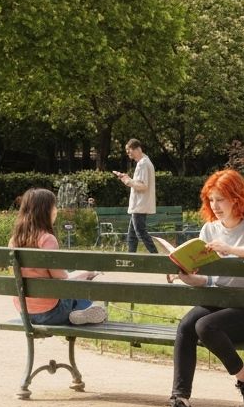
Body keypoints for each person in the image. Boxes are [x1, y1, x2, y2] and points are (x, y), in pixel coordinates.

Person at [160, 169, 244, 407]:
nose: (215, 206)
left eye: (220, 199)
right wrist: (187, 276)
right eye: (211, 200)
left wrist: (231, 250)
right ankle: (181, 403)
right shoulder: (209, 229)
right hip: (219, 301)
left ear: (236, 198)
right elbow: (207, 279)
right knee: (187, 325)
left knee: (205, 326)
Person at [9, 188, 106, 325]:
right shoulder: (47, 239)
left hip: (25, 313)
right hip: (52, 312)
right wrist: (86, 273)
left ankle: (78, 314)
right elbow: (61, 278)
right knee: (86, 282)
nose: (56, 210)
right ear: (46, 211)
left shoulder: (14, 241)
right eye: (54, 206)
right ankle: (81, 312)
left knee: (76, 279)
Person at [113, 138, 157, 253]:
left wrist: (127, 181)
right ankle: (131, 258)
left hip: (139, 205)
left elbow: (143, 185)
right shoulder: (144, 162)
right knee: (132, 236)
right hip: (139, 205)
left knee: (140, 233)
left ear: (137, 149)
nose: (128, 153)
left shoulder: (143, 164)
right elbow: (140, 183)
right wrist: (127, 178)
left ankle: (156, 257)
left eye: (129, 150)